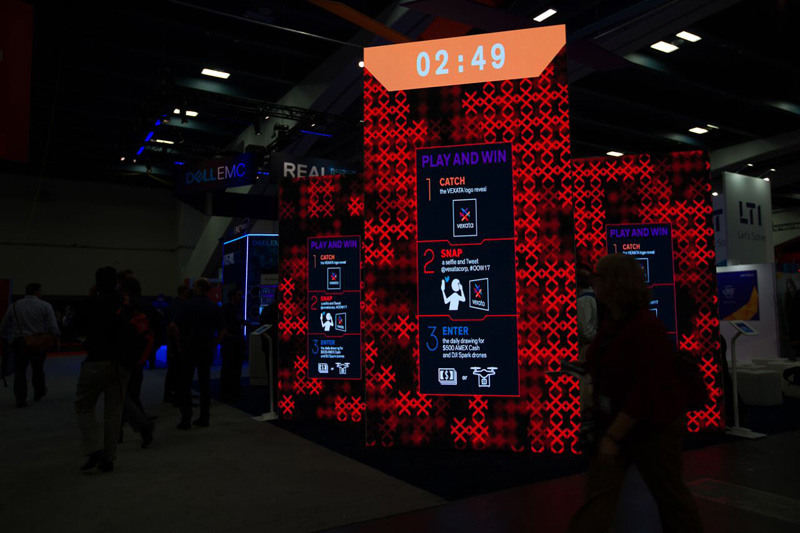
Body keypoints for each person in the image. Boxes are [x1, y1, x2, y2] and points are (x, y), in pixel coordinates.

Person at [568, 254, 703, 533]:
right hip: (619, 423)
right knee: (599, 497)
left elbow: (645, 391)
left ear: (615, 282)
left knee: (670, 497)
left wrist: (613, 436)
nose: (593, 281)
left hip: (652, 428)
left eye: (598, 276)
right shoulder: (615, 322)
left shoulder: (645, 328)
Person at [73, 267, 129, 473]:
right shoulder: (125, 303)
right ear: (116, 282)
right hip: (120, 363)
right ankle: (109, 457)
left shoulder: (91, 303)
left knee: (84, 406)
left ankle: (93, 448)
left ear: (97, 283)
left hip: (95, 361)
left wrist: (90, 296)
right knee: (113, 412)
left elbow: (75, 327)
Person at [170, 278, 225, 429]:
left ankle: (186, 418)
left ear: (198, 288)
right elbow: (222, 330)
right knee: (205, 383)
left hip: (189, 347)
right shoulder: (214, 306)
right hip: (206, 348)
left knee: (185, 383)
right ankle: (204, 417)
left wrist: (179, 342)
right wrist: (214, 344)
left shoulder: (187, 305)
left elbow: (173, 326)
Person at [0, 282, 60, 407]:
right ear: (36, 292)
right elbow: (53, 328)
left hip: (20, 342)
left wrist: (8, 339)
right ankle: (39, 392)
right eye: (41, 291)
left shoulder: (14, 306)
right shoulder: (45, 305)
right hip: (39, 342)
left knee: (20, 371)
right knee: (38, 368)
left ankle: (20, 398)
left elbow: (4, 326)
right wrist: (55, 338)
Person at [118, 277, 157, 448]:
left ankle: (121, 430)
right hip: (140, 356)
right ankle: (140, 424)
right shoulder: (147, 306)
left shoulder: (122, 306)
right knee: (132, 393)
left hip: (122, 356)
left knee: (120, 395)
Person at [163, 285, 191, 403]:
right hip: (178, 341)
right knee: (176, 368)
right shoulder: (179, 305)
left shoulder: (175, 304)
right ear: (183, 292)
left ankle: (172, 393)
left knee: (175, 368)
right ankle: (173, 394)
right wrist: (178, 341)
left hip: (176, 340)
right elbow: (172, 325)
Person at [219, 289, 245, 402]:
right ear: (232, 296)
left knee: (235, 366)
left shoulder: (236, 308)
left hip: (235, 340)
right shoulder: (227, 308)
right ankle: (227, 391)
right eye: (239, 295)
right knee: (229, 366)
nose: (241, 297)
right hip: (230, 341)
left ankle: (234, 389)